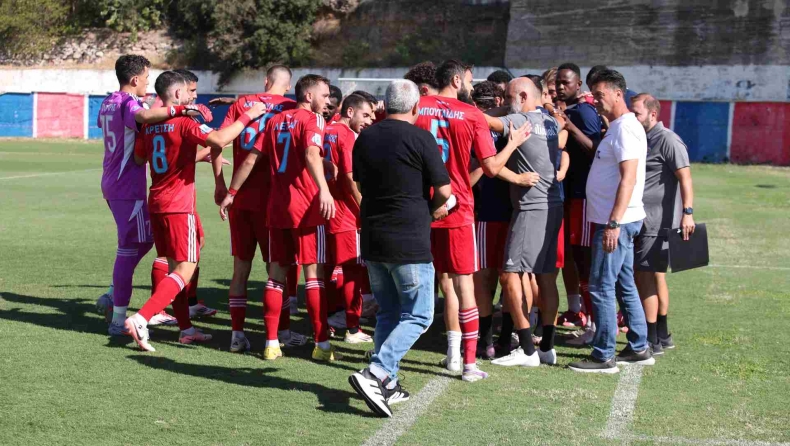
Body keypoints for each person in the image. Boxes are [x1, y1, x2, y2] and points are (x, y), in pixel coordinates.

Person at [124, 71, 266, 351]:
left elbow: (141, 157)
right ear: (176, 95)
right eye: (188, 93)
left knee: (173, 265)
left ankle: (185, 328)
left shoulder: (151, 125)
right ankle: (142, 318)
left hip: (157, 202)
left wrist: (186, 155)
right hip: (178, 205)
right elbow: (219, 139)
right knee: (186, 268)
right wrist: (249, 115)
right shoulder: (184, 121)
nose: (192, 97)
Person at [415, 59, 526, 382]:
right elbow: (491, 168)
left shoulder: (417, 107)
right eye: (468, 78)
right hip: (458, 208)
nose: (472, 83)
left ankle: (447, 354)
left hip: (421, 206)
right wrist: (515, 143)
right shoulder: (471, 114)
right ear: (454, 79)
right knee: (464, 284)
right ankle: (467, 362)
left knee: (436, 284)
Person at [348, 79, 451, 418]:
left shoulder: (365, 136)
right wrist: (436, 208)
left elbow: (360, 182)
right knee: (419, 314)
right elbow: (444, 189)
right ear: (416, 107)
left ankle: (387, 382)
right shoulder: (420, 136)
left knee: (389, 312)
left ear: (383, 106)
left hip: (374, 236)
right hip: (408, 237)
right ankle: (377, 372)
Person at [219, 74, 337, 362]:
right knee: (313, 277)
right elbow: (310, 153)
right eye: (324, 95)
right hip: (307, 208)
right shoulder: (314, 120)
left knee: (276, 277)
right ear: (308, 96)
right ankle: (321, 345)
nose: (328, 101)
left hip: (276, 208)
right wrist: (323, 189)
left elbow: (250, 159)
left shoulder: (274, 121)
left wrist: (232, 191)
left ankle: (271, 343)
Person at [95, 55, 210, 336]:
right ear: (135, 79)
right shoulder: (128, 103)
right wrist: (179, 112)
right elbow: (143, 117)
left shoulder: (108, 102)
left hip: (113, 182)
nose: (148, 82)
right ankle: (117, 313)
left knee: (146, 242)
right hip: (126, 186)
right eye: (146, 77)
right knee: (129, 250)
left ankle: (118, 301)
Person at [215, 64, 309, 353]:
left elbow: (218, 143)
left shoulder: (243, 104)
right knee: (275, 271)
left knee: (240, 268)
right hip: (273, 201)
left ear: (265, 80)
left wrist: (221, 185)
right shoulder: (292, 107)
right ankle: (281, 332)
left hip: (239, 197)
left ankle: (236, 335)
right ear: (289, 84)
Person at [568, 69, 653, 373]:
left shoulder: (626, 129)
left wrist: (613, 223)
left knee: (602, 286)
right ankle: (640, 345)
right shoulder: (618, 127)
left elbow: (628, 179)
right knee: (623, 283)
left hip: (615, 221)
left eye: (599, 94)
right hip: (619, 218)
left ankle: (604, 354)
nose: (595, 100)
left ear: (618, 94)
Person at [485, 76, 564, 368]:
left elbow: (482, 122)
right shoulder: (551, 121)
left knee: (509, 274)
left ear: (520, 96)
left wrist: (490, 111)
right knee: (545, 276)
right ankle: (548, 347)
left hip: (531, 208)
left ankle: (528, 349)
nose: (505, 103)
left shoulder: (518, 120)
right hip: (553, 204)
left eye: (508, 97)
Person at [469, 81, 536, 359]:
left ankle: (509, 339)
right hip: (488, 211)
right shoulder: (483, 127)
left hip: (516, 212)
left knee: (515, 278)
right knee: (485, 279)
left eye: (493, 101)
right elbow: (476, 171)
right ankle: (487, 340)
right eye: (481, 103)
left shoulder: (524, 122)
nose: (489, 107)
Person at [631, 93, 695, 353]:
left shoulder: (667, 139)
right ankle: (661, 334)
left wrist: (687, 212)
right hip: (646, 220)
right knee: (654, 275)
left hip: (656, 221)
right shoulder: (642, 137)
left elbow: (686, 177)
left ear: (653, 114)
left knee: (644, 276)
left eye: (636, 113)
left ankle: (651, 338)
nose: (633, 118)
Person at [554, 62, 604, 341]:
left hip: (585, 197)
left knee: (586, 261)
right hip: (572, 196)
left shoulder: (583, 112)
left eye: (566, 82)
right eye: (559, 82)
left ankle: (595, 326)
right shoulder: (568, 111)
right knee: (577, 258)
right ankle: (589, 321)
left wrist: (569, 126)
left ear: (578, 85)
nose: (561, 87)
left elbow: (595, 149)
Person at [323, 94, 375, 343]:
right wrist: (363, 206)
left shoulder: (325, 128)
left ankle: (330, 318)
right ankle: (352, 327)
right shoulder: (345, 135)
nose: (370, 121)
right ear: (350, 111)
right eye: (366, 115)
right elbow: (348, 176)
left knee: (328, 268)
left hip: (324, 210)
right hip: (345, 212)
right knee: (352, 268)